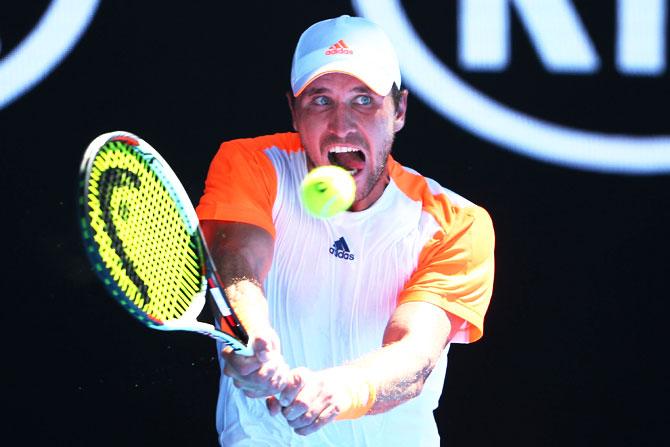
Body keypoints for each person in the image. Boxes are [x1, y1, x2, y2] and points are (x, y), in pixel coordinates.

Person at [195, 15, 495, 446]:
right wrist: (252, 333)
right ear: (294, 111)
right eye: (320, 100)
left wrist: (340, 391)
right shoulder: (250, 164)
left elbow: (416, 353)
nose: (341, 125)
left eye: (364, 100)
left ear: (399, 111)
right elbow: (239, 265)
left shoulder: (455, 220)